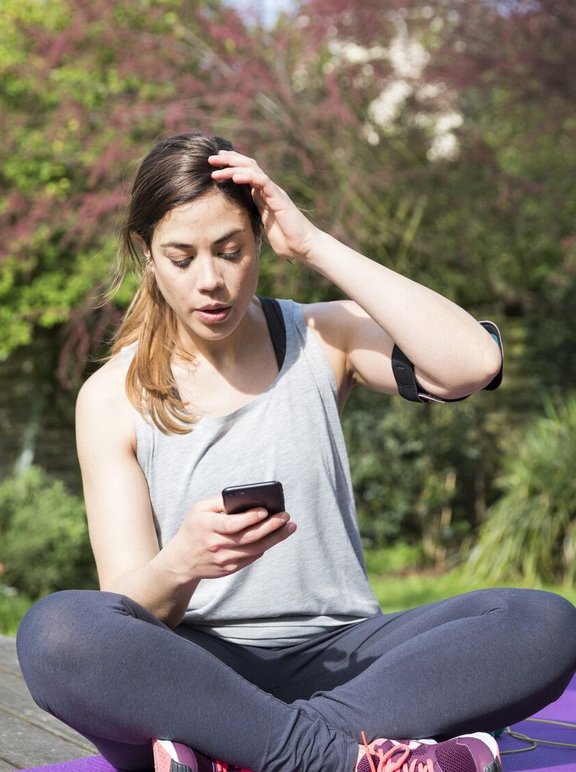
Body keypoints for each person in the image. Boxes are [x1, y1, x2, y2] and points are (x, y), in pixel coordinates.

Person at [16, 132, 576, 772]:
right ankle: (343, 759)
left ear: (260, 238)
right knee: (55, 632)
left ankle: (248, 754)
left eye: (231, 251)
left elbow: (474, 363)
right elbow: (128, 610)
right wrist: (184, 563)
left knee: (541, 620)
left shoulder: (321, 335)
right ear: (147, 254)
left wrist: (315, 245)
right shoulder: (111, 397)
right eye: (182, 257)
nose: (212, 281)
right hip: (198, 677)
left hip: (349, 666)